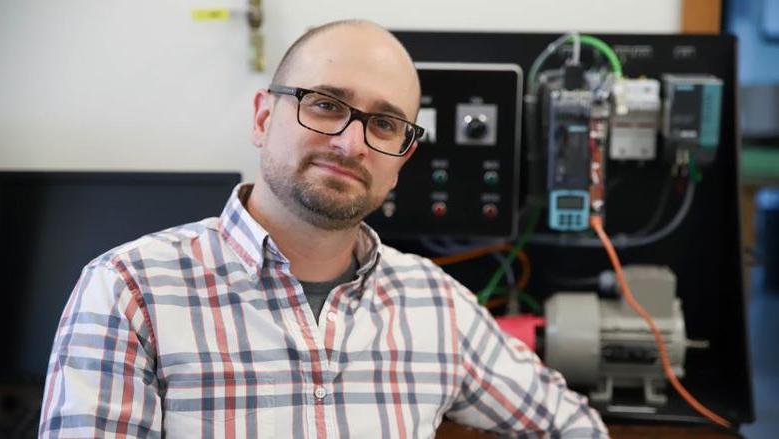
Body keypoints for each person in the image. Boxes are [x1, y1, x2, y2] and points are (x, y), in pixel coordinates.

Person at [39, 19, 608, 438]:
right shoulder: (131, 292)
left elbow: (576, 428)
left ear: (401, 158)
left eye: (384, 123)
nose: (352, 142)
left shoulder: (438, 306)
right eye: (327, 105)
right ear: (264, 117)